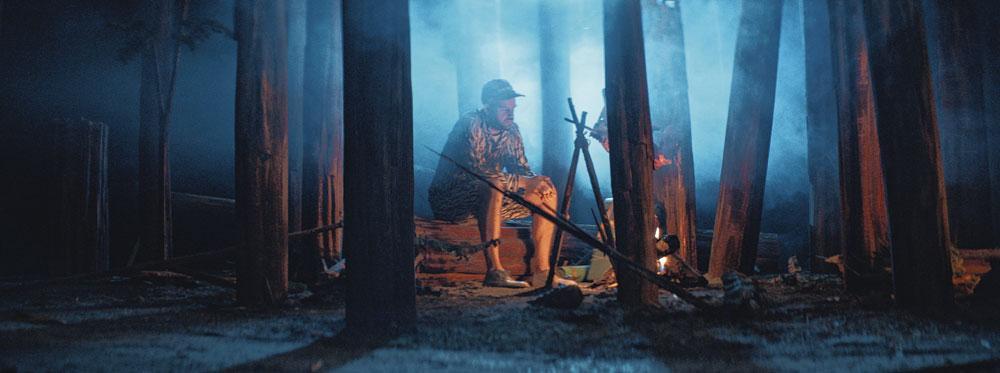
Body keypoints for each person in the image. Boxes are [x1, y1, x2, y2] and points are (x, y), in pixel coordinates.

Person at [429, 79, 577, 288]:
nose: (510, 113)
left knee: (546, 191)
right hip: (451, 200)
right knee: (493, 184)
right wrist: (524, 182)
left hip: (488, 199)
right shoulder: (471, 123)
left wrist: (536, 183)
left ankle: (542, 271)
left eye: (512, 108)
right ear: (487, 106)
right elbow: (478, 172)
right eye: (504, 108)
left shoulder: (511, 130)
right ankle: (495, 271)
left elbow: (521, 170)